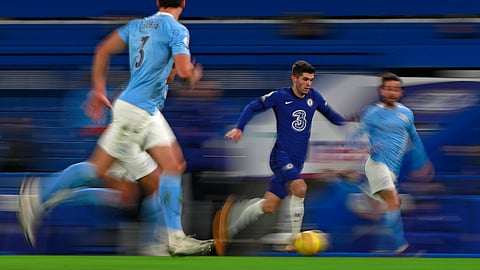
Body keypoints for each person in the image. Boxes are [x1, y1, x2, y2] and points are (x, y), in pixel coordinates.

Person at [17, 0, 212, 256]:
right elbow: (186, 72)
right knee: (103, 170)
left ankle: (167, 240)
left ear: (157, 2)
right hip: (138, 110)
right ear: (183, 3)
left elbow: (103, 50)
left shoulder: (138, 25)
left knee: (169, 170)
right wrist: (191, 76)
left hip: (143, 109)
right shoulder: (177, 30)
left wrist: (98, 90)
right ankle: (40, 195)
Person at [213, 60, 345, 256]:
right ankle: (293, 240)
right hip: (281, 155)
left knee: (269, 206)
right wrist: (240, 127)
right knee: (300, 187)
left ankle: (232, 220)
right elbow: (252, 106)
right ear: (294, 78)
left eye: (311, 80)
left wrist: (351, 124)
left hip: (297, 160)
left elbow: (332, 115)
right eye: (305, 79)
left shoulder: (314, 97)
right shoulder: (280, 96)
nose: (309, 84)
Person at [350, 72, 434, 253]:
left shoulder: (406, 114)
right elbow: (355, 138)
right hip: (377, 164)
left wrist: (422, 162)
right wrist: (364, 147)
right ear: (382, 91)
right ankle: (401, 248)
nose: (392, 93)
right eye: (388, 89)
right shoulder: (372, 113)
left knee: (388, 208)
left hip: (392, 171)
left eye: (395, 90)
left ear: (400, 92)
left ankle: (387, 247)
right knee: (394, 202)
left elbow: (415, 138)